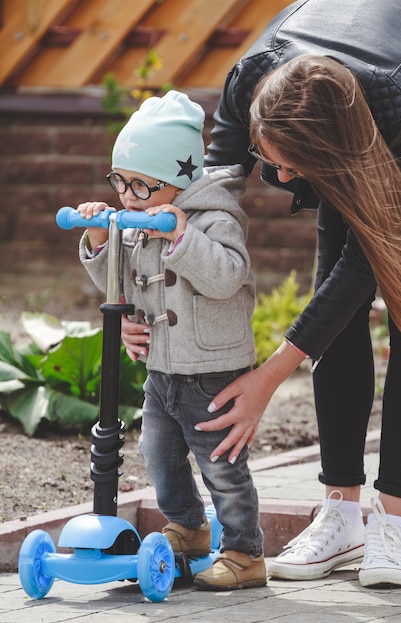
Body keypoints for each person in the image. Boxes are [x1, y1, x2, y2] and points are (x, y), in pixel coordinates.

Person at [195, 0, 401, 588]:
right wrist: (159, 295)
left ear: (332, 157)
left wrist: (271, 375)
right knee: (333, 308)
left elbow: (362, 269)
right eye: (269, 159)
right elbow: (202, 207)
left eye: (291, 169)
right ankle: (341, 513)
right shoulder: (251, 84)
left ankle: (392, 522)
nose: (282, 179)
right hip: (339, 84)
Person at [77, 90, 266, 591]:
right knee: (157, 450)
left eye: (141, 185)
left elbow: (228, 278)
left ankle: (246, 554)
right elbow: (120, 284)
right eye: (120, 182)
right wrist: (101, 240)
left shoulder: (212, 218)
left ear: (177, 182)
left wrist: (183, 240)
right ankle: (188, 527)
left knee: (220, 464)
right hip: (162, 369)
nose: (128, 197)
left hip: (211, 370)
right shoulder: (139, 221)